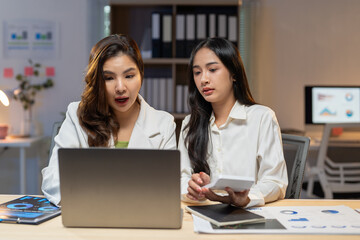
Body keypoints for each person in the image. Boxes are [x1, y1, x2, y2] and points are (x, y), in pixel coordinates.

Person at [42, 34, 177, 205]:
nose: (120, 88)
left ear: (141, 75)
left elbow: (169, 189)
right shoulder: (77, 114)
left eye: (129, 76)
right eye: (109, 78)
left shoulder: (164, 124)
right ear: (97, 81)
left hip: (143, 222)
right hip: (89, 217)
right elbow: (54, 181)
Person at [178, 37, 288, 208]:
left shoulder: (261, 118)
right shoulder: (189, 124)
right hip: (203, 214)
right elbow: (181, 179)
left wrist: (247, 197)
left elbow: (275, 182)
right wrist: (195, 189)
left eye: (212, 69)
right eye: (197, 72)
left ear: (234, 74)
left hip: (251, 216)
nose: (203, 79)